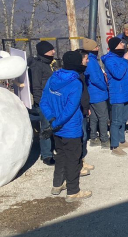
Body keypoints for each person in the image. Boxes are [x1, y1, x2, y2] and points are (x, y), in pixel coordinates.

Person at [39, 51, 92, 202]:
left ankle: (57, 184)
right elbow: (71, 108)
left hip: (56, 128)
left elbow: (44, 101)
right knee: (73, 159)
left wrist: (52, 120)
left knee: (60, 155)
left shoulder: (53, 77)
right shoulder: (75, 82)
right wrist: (56, 123)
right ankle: (73, 191)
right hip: (70, 128)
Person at [102, 37, 128, 156]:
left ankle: (122, 140)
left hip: (127, 92)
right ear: (115, 46)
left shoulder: (123, 57)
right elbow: (118, 74)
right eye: (120, 43)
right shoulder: (109, 60)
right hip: (117, 94)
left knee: (124, 119)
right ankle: (115, 145)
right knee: (116, 120)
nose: (123, 44)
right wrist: (125, 60)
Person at [28, 40, 56, 165]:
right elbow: (36, 87)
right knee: (45, 128)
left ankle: (52, 149)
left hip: (51, 100)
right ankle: (46, 155)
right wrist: (41, 103)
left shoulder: (48, 63)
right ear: (44, 52)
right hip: (44, 102)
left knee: (52, 125)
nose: (54, 52)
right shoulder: (37, 66)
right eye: (51, 50)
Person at [82, 38, 110, 150]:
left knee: (93, 117)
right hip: (98, 93)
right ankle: (104, 139)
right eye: (95, 47)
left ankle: (93, 137)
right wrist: (105, 87)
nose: (98, 48)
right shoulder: (92, 62)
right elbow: (96, 79)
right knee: (103, 117)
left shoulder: (89, 60)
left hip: (91, 93)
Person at [75, 50, 94, 176]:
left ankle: (82, 159)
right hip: (77, 110)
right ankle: (77, 165)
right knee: (78, 138)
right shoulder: (75, 75)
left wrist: (86, 107)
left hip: (83, 109)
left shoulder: (82, 73)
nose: (88, 60)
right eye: (86, 58)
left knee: (84, 136)